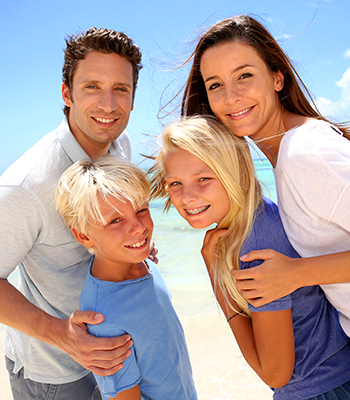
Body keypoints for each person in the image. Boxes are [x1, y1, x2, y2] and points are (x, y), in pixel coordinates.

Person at [0, 27, 155, 400]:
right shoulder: (26, 186)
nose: (108, 105)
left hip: (116, 352)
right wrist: (63, 336)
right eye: (92, 87)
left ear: (133, 99)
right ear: (67, 93)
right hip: (54, 372)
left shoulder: (120, 143)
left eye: (121, 89)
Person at [151, 115, 350, 400]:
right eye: (174, 184)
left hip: (319, 389)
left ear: (235, 172)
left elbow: (275, 373)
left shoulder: (255, 245)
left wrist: (218, 282)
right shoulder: (256, 215)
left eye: (203, 179)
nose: (187, 197)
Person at [179, 14, 350, 336]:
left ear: (277, 78)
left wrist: (297, 273)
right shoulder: (290, 151)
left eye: (244, 76)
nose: (231, 97)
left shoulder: (304, 153)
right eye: (215, 85)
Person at [56, 155, 197, 400]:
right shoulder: (104, 319)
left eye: (141, 210)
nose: (138, 228)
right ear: (84, 236)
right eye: (115, 220)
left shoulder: (140, 263)